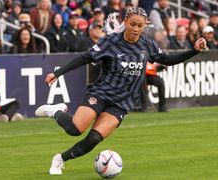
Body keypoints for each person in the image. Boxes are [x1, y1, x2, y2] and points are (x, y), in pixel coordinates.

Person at [34, 7, 207, 175]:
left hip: (122, 103)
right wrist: (58, 73)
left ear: (145, 26)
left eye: (140, 25)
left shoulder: (147, 43)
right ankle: (55, 111)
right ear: (125, 22)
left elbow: (167, 59)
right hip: (101, 93)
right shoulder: (111, 41)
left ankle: (59, 159)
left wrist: (194, 51)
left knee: (93, 139)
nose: (136, 29)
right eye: (133, 24)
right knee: (75, 129)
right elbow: (85, 58)